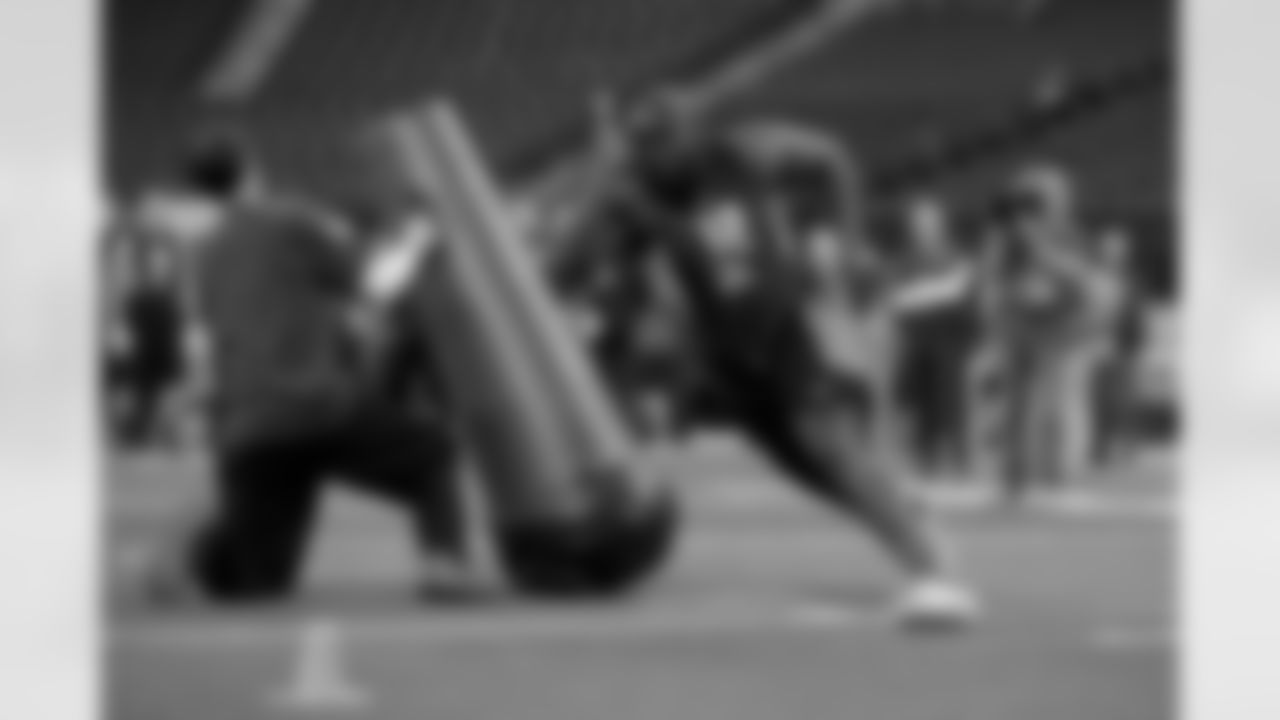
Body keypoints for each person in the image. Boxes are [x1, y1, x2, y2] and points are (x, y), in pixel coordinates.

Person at [571, 98, 981, 629]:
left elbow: (830, 157)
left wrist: (843, 239)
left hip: (788, 322)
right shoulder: (639, 196)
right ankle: (911, 522)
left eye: (664, 143)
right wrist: (599, 200)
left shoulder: (738, 152)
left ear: (690, 133)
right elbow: (578, 265)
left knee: (828, 438)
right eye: (646, 148)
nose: (658, 158)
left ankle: (936, 575)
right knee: (814, 471)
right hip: (730, 358)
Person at [133, 135, 482, 604]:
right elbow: (371, 284)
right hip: (316, 406)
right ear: (250, 170)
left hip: (249, 430)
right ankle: (444, 565)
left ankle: (188, 559)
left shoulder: (206, 251)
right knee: (431, 453)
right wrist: (417, 239)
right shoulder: (290, 221)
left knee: (256, 582)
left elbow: (217, 334)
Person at [985, 163, 1104, 503]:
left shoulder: (1071, 234)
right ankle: (1014, 475)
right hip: (1021, 323)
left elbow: (1081, 279)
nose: (1030, 207)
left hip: (1062, 328)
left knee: (1059, 404)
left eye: (1038, 198)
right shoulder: (1008, 235)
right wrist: (1002, 239)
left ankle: (1061, 475)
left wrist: (1038, 247)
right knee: (1015, 404)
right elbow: (994, 276)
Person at [888, 195, 979, 478]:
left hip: (950, 342)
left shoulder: (954, 256)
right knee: (923, 401)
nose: (922, 228)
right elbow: (896, 300)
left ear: (939, 224)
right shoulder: (904, 259)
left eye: (928, 222)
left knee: (952, 401)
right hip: (917, 341)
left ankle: (960, 456)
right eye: (917, 223)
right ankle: (927, 456)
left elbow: (967, 298)